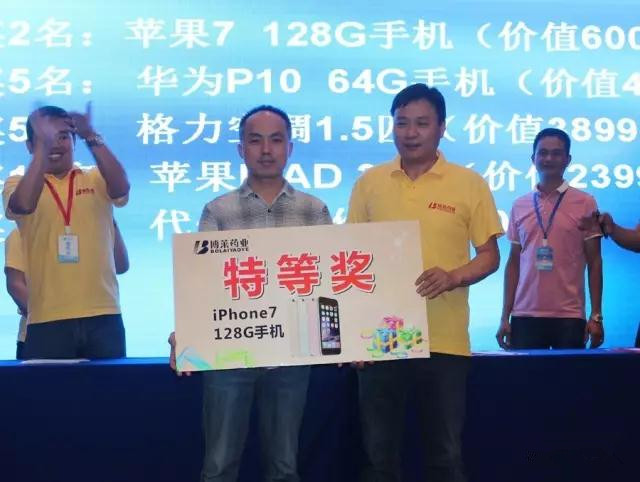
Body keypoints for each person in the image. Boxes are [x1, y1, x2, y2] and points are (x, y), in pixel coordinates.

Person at [347, 83, 503, 482]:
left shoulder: (469, 183)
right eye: (402, 123)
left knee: (444, 458)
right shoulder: (369, 183)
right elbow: (349, 260)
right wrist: (353, 338)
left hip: (444, 339)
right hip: (382, 340)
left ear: (441, 127)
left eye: (421, 123)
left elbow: (490, 256)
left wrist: (453, 277)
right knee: (378, 459)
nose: (410, 132)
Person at [169, 105, 332, 482]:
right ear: (241, 149)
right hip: (229, 356)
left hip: (292, 356)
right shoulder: (218, 211)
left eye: (276, 140)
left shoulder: (314, 210)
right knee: (219, 466)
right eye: (256, 140)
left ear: (290, 148)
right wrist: (186, 334)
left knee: (284, 468)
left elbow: (328, 284)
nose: (266, 150)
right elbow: (202, 283)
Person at [2, 104, 130, 359]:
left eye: (63, 137)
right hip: (47, 319)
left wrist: (90, 135)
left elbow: (121, 188)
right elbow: (23, 205)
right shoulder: (16, 183)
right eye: (45, 138)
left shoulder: (95, 178)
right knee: (48, 387)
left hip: (103, 314)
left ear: (74, 141)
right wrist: (42, 152)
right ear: (30, 146)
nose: (56, 144)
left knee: (111, 386)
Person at [497, 128, 604, 350]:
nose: (548, 158)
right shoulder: (520, 205)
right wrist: (504, 316)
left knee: (569, 374)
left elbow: (595, 262)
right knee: (526, 374)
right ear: (533, 158)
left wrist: (596, 316)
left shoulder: (585, 202)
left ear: (568, 160)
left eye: (556, 153)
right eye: (543, 153)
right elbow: (514, 263)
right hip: (524, 315)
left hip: (569, 316)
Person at [4, 222, 130, 360]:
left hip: (100, 326)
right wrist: (44, 313)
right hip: (45, 329)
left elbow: (121, 265)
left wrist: (110, 220)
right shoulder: (22, 231)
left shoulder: (98, 226)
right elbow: (15, 284)